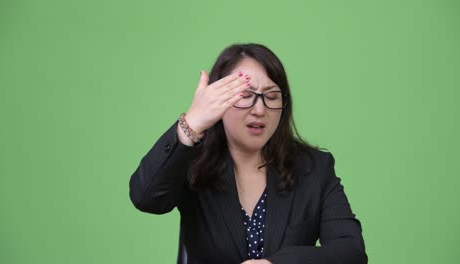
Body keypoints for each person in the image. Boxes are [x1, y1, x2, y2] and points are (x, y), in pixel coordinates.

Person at [129, 43, 368, 264]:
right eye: (245, 95)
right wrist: (191, 123)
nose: (259, 109)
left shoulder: (314, 168)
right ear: (217, 100)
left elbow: (351, 251)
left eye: (271, 96)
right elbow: (146, 197)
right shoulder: (193, 161)